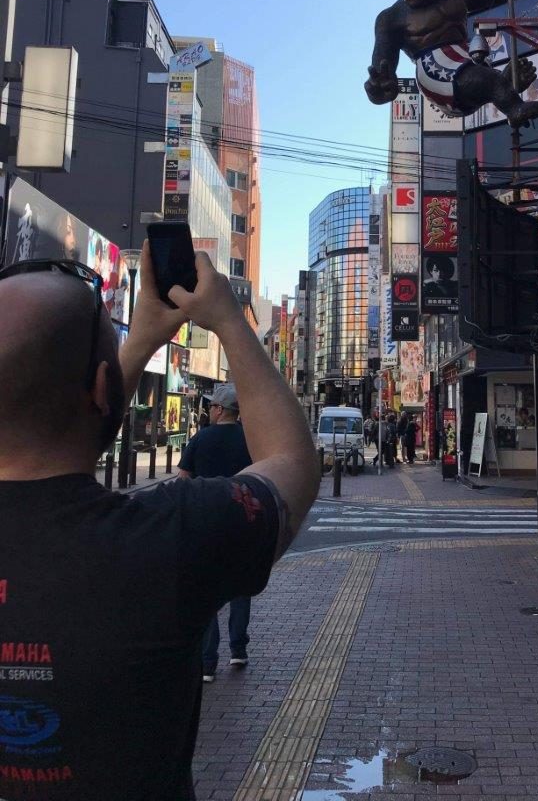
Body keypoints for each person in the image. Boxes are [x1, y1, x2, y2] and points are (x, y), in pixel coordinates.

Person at [0, 245, 319, 801]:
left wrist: (136, 340)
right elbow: (293, 461)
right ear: (103, 392)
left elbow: (72, 428)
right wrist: (226, 321)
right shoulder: (168, 537)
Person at [178, 383, 254, 682]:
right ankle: (239, 649)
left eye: (211, 406)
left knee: (206, 589)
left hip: (204, 522)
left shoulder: (200, 439)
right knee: (240, 588)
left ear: (220, 409)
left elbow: (183, 480)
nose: (209, 410)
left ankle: (208, 662)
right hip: (241, 521)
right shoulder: (250, 440)